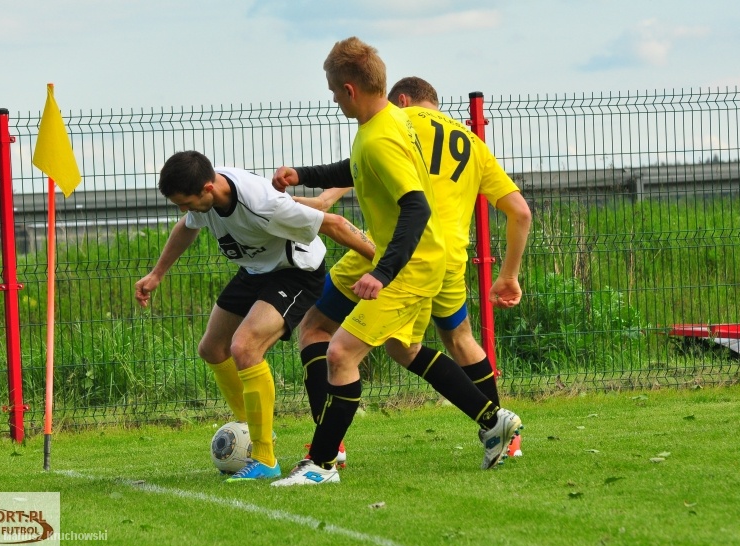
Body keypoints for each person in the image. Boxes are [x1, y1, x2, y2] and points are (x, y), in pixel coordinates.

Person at [271, 38, 522, 487]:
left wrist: (382, 272)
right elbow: (358, 167)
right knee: (401, 348)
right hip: (424, 257)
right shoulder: (387, 122)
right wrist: (304, 175)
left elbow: (416, 207)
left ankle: (321, 465)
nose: (333, 99)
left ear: (350, 90)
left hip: (412, 264)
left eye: (333, 91)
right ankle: (493, 420)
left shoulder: (385, 133)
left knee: (340, 352)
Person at [134, 150, 375, 482]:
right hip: (255, 271)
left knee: (245, 347)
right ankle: (255, 428)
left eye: (186, 203)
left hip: (296, 272)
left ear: (207, 188)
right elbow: (186, 227)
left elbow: (334, 224)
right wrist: (157, 274)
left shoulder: (262, 204)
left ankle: (264, 458)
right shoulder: (204, 193)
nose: (183, 209)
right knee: (212, 348)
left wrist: (387, 267)